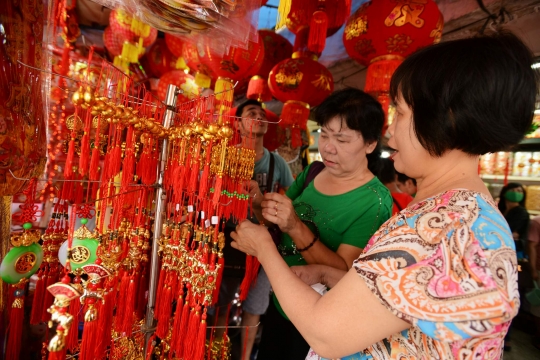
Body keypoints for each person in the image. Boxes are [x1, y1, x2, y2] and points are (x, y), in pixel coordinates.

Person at [230, 31, 537, 360]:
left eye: (401, 112)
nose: (391, 130)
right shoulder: (462, 213)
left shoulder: (440, 225)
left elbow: (326, 333)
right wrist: (324, 273)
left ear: (445, 118)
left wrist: (264, 247)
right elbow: (401, 298)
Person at [240, 88, 393, 359]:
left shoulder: (375, 202)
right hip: (281, 299)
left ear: (370, 144)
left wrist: (295, 227)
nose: (328, 147)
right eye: (324, 133)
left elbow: (344, 273)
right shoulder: (315, 171)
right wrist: (257, 203)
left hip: (317, 317)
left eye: (342, 139)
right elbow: (278, 223)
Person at [215, 99, 295, 359]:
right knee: (221, 304)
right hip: (230, 240)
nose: (258, 117)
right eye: (251, 113)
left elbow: (291, 199)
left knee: (255, 307)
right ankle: (216, 351)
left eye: (262, 114)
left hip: (265, 243)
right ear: (238, 124)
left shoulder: (277, 162)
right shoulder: (225, 157)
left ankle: (244, 356)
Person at [498, 182, 530, 259]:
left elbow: (510, 231)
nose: (516, 193)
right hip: (498, 247)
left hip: (512, 250)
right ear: (504, 193)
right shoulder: (499, 210)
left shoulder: (521, 212)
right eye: (512, 190)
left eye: (519, 191)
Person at [527, 215, 540, 350]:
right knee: (538, 306)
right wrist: (533, 269)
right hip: (539, 268)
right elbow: (532, 246)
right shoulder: (537, 222)